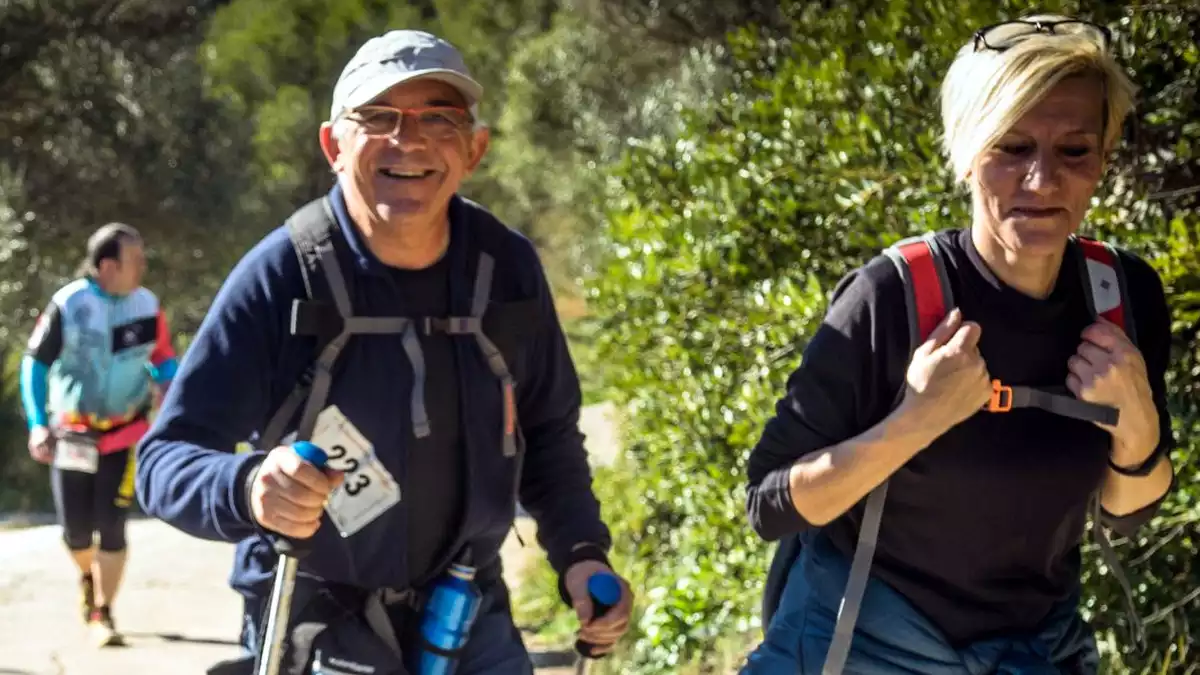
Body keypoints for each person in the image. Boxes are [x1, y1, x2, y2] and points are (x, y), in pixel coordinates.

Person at [134, 29, 634, 675]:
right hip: (316, 613)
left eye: (440, 118)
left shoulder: (506, 271)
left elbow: (549, 432)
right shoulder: (283, 275)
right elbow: (164, 460)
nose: (411, 139)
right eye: (378, 117)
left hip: (467, 605)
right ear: (332, 145)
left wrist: (581, 550)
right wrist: (251, 484)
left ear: (475, 149)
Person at [741, 15, 1176, 675]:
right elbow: (770, 503)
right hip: (864, 641)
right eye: (1012, 146)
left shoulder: (1120, 295)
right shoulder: (893, 296)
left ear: (1106, 157)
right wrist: (916, 420)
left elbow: (1127, 512)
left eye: (1075, 151)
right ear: (966, 151)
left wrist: (1137, 423)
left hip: (1034, 646)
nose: (1041, 180)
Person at [20, 222, 178, 647]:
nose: (143, 266)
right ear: (108, 265)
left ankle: (103, 610)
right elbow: (34, 365)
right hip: (73, 436)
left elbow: (162, 360)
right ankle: (86, 578)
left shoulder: (147, 306)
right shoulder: (69, 305)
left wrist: (169, 386)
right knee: (75, 530)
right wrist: (38, 424)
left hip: (125, 434)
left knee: (112, 524)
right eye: (136, 259)